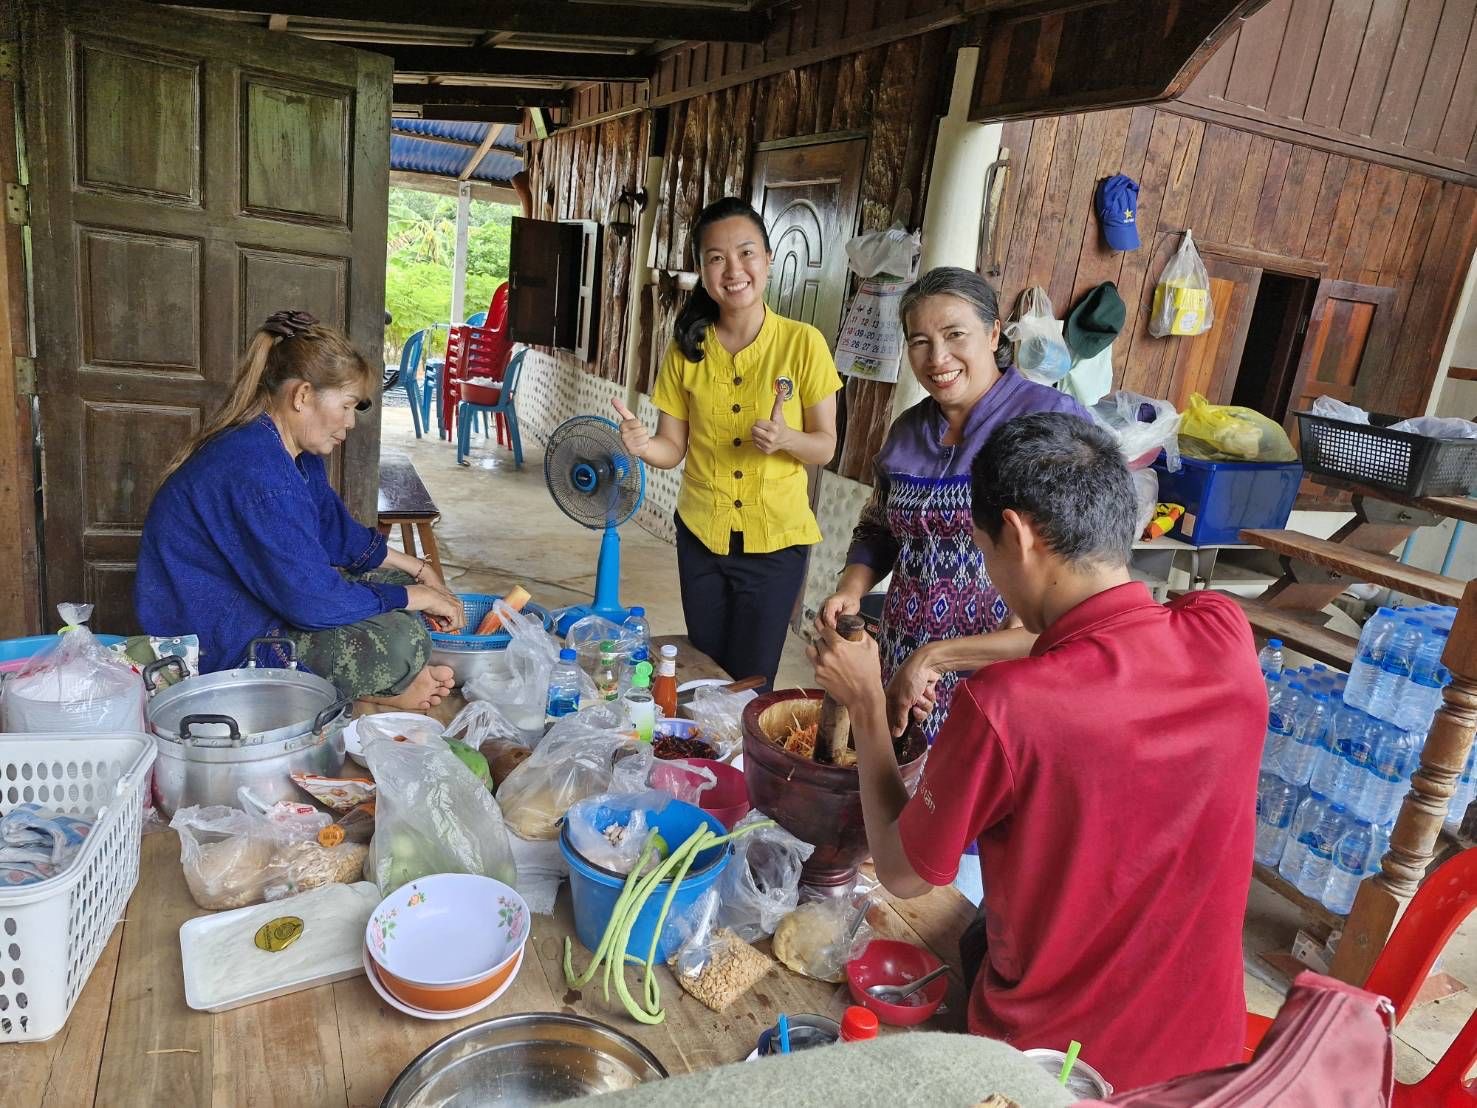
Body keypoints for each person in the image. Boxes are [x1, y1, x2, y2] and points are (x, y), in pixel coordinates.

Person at [809, 412, 1265, 1092]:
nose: (991, 575)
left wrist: (869, 707)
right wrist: (940, 653)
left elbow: (903, 873)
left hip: (1053, 1069)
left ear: (1016, 537)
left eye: (984, 551)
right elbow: (1100, 630)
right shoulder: (1223, 632)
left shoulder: (1005, 708)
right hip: (1210, 1056)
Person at [136, 310, 465, 709]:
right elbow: (311, 603)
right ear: (303, 395)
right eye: (346, 406)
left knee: (391, 580)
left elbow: (332, 531)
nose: (351, 422)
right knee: (401, 643)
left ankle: (382, 685)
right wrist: (415, 597)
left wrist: (416, 570)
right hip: (216, 640)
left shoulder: (289, 450)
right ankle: (383, 689)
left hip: (258, 597)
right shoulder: (257, 473)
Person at [817, 267, 1088, 743]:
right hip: (904, 657)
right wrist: (852, 589)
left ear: (992, 332)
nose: (938, 357)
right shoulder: (906, 430)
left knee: (970, 801)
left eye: (954, 334)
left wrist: (945, 657)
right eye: (920, 341)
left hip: (1000, 666)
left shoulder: (1048, 422)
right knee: (891, 788)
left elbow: (1082, 556)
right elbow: (880, 527)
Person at [613, 197, 841, 689]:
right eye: (716, 258)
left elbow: (825, 446)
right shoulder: (686, 350)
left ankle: (743, 767)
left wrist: (787, 438)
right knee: (707, 674)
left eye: (746, 253)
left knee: (752, 682)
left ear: (768, 260)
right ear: (702, 270)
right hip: (701, 537)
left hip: (777, 543)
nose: (733, 270)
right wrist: (641, 445)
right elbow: (671, 448)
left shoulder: (804, 344)